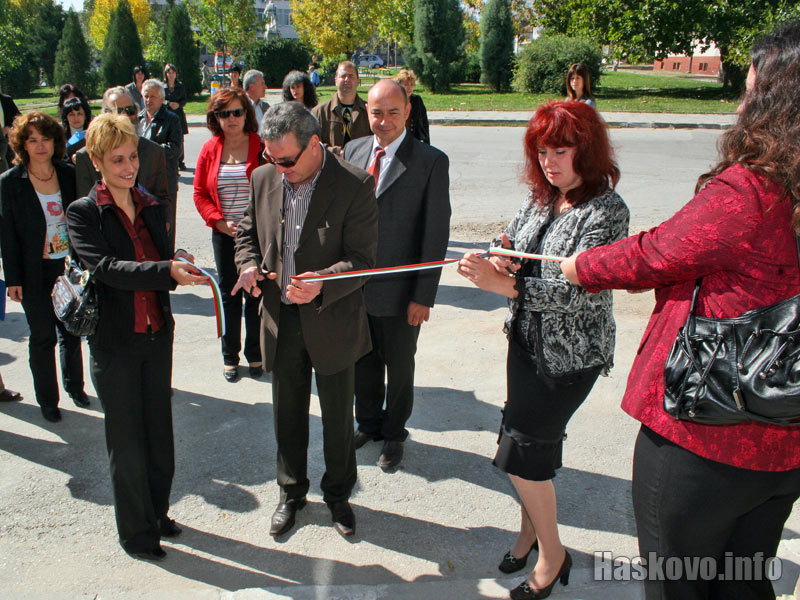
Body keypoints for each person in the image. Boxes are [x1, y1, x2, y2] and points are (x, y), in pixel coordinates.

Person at [560, 21, 800, 600]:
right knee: (744, 582)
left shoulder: (752, 191)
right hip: (786, 442)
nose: (741, 103)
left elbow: (655, 254)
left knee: (677, 585)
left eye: (750, 90)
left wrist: (580, 266)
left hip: (706, 434)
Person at [458, 101, 628, 600]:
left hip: (571, 357)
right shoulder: (542, 196)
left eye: (562, 149)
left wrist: (502, 286)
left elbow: (579, 290)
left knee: (522, 454)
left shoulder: (607, 210)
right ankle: (530, 532)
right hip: (527, 345)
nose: (550, 161)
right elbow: (514, 236)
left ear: (587, 150)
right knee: (525, 445)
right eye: (542, 150)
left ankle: (553, 556)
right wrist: (501, 251)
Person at [232, 101, 377, 538]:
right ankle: (290, 493)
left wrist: (323, 283)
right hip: (281, 319)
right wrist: (247, 262)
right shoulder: (263, 177)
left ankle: (338, 494)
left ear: (315, 145)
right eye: (271, 159)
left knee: (337, 418)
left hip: (332, 318)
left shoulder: (355, 184)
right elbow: (245, 231)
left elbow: (364, 260)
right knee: (288, 415)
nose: (279, 169)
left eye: (287, 161)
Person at [66, 113, 206, 561]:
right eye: (118, 159)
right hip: (115, 343)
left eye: (132, 157)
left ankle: (157, 512)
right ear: (96, 161)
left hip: (156, 335)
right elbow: (106, 270)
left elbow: (160, 259)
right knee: (126, 444)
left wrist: (177, 258)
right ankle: (136, 533)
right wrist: (166, 271)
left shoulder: (151, 203)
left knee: (159, 435)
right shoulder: (83, 213)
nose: (129, 167)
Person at [343, 80, 450, 470]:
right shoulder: (352, 151)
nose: (383, 121)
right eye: (376, 112)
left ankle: (394, 433)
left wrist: (424, 295)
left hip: (403, 292)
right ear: (365, 113)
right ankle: (368, 422)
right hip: (355, 290)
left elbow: (435, 233)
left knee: (400, 368)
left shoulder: (429, 161)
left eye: (392, 112)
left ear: (407, 112)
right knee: (362, 362)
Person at [0, 112, 90, 422]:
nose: (40, 146)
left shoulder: (67, 173)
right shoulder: (10, 182)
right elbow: (7, 235)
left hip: (67, 267)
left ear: (55, 141)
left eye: (45, 139)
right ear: (22, 145)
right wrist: (12, 278)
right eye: (32, 140)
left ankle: (75, 388)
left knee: (71, 331)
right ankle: (48, 401)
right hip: (32, 271)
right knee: (42, 337)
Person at [193, 88, 264, 382]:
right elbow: (199, 193)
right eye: (225, 114)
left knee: (255, 295)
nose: (232, 119)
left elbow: (272, 189)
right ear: (216, 118)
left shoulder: (260, 146)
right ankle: (229, 356)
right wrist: (219, 222)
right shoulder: (210, 149)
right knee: (229, 297)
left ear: (246, 113)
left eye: (237, 112)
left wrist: (252, 223)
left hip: (257, 236)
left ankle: (255, 353)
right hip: (224, 236)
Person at [75, 87, 169, 215]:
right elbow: (85, 209)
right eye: (118, 111)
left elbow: (163, 200)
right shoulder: (85, 156)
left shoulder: (155, 152)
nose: (125, 117)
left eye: (130, 111)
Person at [138, 79, 182, 248]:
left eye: (153, 97)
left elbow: (175, 149)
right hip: (141, 181)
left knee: (165, 228)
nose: (148, 100)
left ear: (162, 98)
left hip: (164, 181)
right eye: (146, 96)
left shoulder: (171, 119)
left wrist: (148, 149)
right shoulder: (138, 119)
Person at [312, 61, 371, 156]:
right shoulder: (319, 112)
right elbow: (312, 144)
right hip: (331, 167)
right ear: (336, 80)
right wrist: (337, 152)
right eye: (343, 76)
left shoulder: (369, 111)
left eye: (351, 76)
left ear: (357, 81)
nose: (347, 79)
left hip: (361, 167)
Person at [162, 64, 189, 170]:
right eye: (169, 72)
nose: (171, 75)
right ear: (166, 74)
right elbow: (160, 99)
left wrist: (179, 105)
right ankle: (169, 160)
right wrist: (168, 103)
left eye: (173, 72)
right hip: (167, 115)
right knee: (167, 137)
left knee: (180, 139)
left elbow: (184, 99)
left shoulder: (180, 86)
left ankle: (180, 161)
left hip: (178, 115)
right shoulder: (162, 86)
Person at [394, 69, 430, 145]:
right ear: (399, 85)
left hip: (414, 141)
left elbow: (424, 123)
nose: (409, 88)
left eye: (411, 85)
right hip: (397, 142)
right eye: (406, 84)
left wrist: (426, 143)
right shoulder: (394, 100)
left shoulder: (417, 100)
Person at [60, 96, 92, 161]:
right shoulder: (60, 138)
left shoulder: (93, 135)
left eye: (79, 114)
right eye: (71, 114)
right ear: (66, 117)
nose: (76, 118)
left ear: (85, 115)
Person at [0, 92, 21, 169]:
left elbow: (18, 117)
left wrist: (10, 127)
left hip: (7, 138)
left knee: (10, 164)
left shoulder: (6, 99)